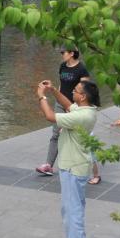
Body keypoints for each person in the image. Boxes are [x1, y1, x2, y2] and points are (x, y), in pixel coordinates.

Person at [35, 79, 100, 238]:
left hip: (73, 168)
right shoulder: (86, 110)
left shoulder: (82, 116)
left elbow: (50, 116)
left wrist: (41, 96)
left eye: (76, 90)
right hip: (75, 166)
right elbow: (69, 106)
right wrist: (54, 90)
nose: (73, 92)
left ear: (83, 96)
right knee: (72, 208)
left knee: (72, 210)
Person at [36, 48, 90, 177]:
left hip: (74, 106)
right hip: (60, 103)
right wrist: (57, 96)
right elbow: (61, 84)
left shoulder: (81, 69)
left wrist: (74, 107)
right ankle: (48, 165)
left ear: (72, 53)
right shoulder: (62, 66)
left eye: (63, 52)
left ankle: (83, 166)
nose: (61, 55)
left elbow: (86, 91)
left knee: (75, 135)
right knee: (56, 133)